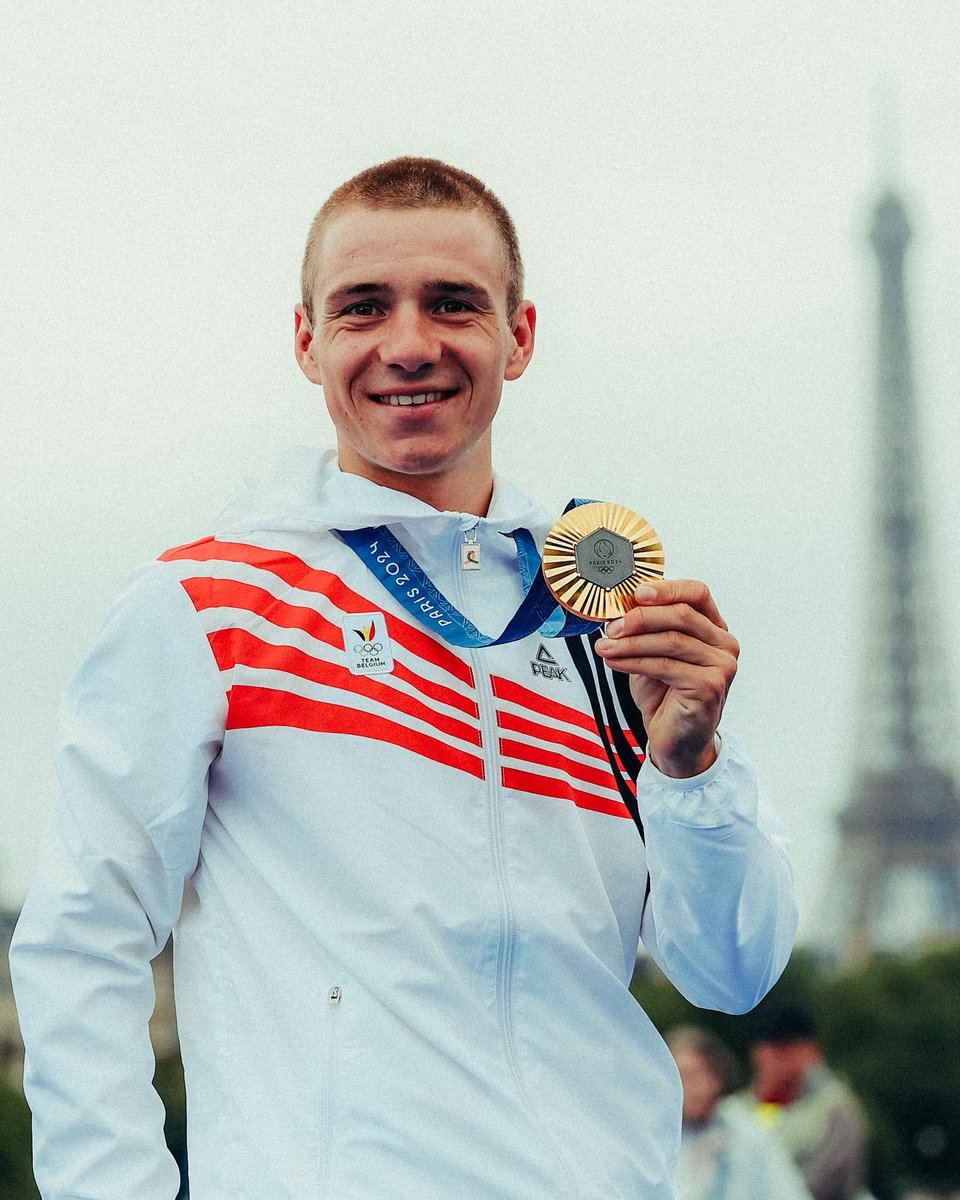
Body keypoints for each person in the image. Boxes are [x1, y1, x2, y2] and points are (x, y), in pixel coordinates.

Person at [10, 157, 798, 1199]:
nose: (410, 344)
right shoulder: (204, 602)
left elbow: (731, 975)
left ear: (519, 337)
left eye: (454, 304)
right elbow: (83, 938)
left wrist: (691, 771)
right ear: (308, 340)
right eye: (364, 307)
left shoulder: (603, 620)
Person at [668, 1025, 812, 1200]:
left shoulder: (747, 1131)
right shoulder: (660, 1136)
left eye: (694, 1075)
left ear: (716, 1076)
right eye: (678, 1077)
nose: (688, 1087)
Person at [744, 1004, 868, 1200]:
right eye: (775, 1049)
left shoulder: (834, 1104)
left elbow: (830, 1178)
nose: (782, 1059)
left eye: (790, 1048)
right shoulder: (739, 1109)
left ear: (814, 1052)